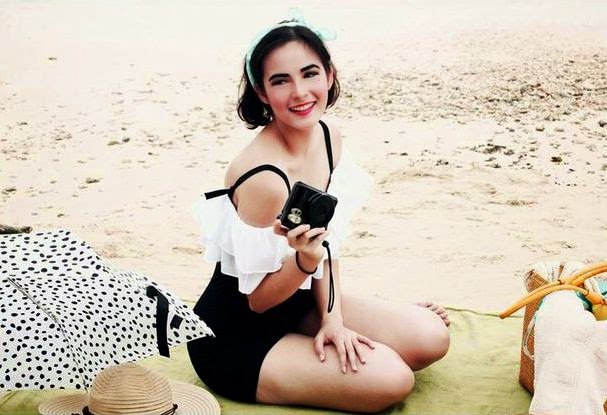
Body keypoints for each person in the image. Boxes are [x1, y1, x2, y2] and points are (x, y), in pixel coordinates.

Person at [188, 13, 450, 413]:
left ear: (329, 75)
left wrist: (333, 320)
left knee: (431, 338)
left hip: (300, 301)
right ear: (262, 92)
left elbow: (329, 244)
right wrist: (304, 262)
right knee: (394, 378)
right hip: (237, 336)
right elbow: (257, 301)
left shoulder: (328, 138)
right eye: (280, 81)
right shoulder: (262, 179)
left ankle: (348, 335)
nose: (300, 93)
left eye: (309, 74)